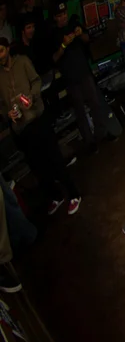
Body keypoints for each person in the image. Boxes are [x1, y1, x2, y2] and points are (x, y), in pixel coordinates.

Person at [0, 37, 82, 216]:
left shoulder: (22, 62)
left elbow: (37, 81)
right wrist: (7, 113)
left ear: (7, 49)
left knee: (54, 158)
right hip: (20, 128)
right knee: (38, 167)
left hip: (37, 118)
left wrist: (32, 96)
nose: (0, 56)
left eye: (1, 51)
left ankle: (73, 194)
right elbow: (1, 105)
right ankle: (55, 196)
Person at [50, 1, 111, 154]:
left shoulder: (73, 25)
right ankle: (89, 142)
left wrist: (80, 33)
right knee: (80, 112)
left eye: (64, 14)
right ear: (55, 18)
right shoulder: (53, 34)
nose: (63, 17)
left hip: (84, 73)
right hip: (70, 79)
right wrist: (63, 45)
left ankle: (102, 133)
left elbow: (87, 39)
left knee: (95, 104)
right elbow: (54, 58)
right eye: (60, 15)